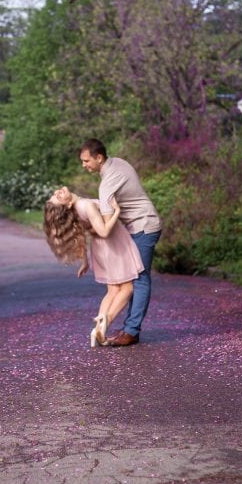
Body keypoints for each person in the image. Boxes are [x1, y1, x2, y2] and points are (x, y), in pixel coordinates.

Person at [79, 138, 162, 346]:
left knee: (139, 279)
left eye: (86, 161)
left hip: (144, 226)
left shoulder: (107, 184)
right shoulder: (118, 162)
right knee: (135, 277)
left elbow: (106, 229)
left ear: (99, 158)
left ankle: (131, 331)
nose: (84, 165)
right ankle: (130, 328)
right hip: (139, 226)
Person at [43, 186, 144, 347]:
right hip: (113, 246)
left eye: (55, 194)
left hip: (102, 250)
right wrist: (117, 211)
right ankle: (106, 322)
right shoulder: (85, 206)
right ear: (67, 205)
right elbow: (104, 232)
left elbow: (80, 235)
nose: (57, 192)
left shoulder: (76, 210)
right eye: (58, 197)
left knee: (112, 291)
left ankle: (97, 328)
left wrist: (85, 261)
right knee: (127, 288)